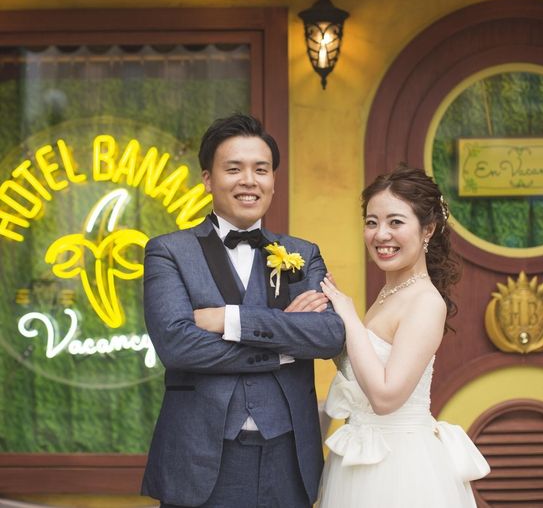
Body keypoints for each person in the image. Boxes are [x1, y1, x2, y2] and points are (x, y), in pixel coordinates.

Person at [141, 113, 345, 508]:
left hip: (288, 457)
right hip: (200, 456)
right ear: (207, 179)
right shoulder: (169, 252)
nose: (249, 180)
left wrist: (229, 320)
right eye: (234, 169)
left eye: (261, 170)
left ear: (273, 180)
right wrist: (285, 343)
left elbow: (329, 335)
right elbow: (177, 345)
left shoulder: (303, 254)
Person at [317, 165, 489, 508]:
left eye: (395, 222)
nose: (381, 234)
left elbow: (385, 398)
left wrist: (349, 318)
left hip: (399, 468)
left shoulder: (425, 302)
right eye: (372, 222)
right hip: (361, 457)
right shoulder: (389, 294)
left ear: (428, 229)